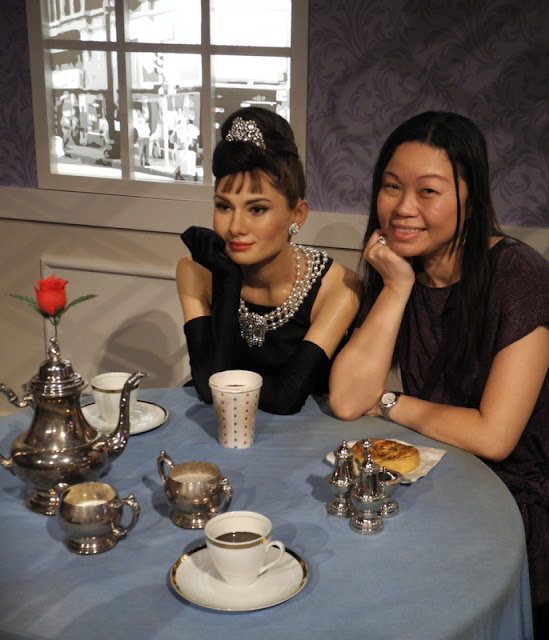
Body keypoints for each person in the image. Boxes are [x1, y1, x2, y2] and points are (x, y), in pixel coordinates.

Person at [328, 110, 549, 637]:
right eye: (391, 187)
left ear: (470, 199)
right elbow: (346, 399)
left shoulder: (518, 275)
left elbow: (494, 437)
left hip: (517, 509)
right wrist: (397, 287)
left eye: (428, 191)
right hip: (446, 484)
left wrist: (390, 403)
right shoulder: (404, 270)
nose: (403, 208)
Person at [176, 106, 360, 415]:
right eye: (224, 207)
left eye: (257, 209)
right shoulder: (196, 270)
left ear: (296, 214)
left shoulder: (339, 286)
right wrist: (228, 281)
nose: (235, 227)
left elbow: (288, 398)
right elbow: (208, 389)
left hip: (308, 431)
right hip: (222, 425)